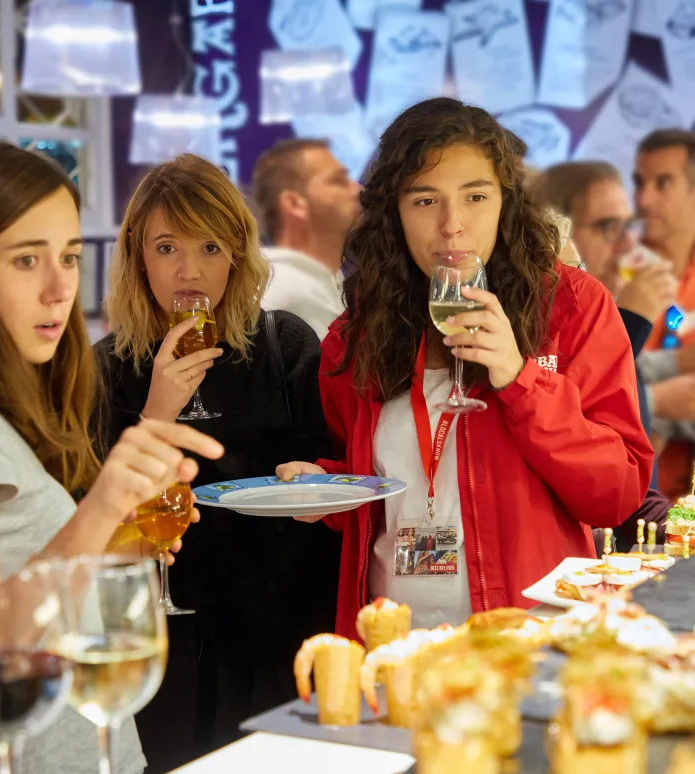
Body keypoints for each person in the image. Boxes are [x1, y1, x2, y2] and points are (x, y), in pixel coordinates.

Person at [0, 143, 223, 774]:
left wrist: (124, 535)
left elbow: (31, 582)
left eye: (69, 257)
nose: (59, 288)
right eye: (26, 260)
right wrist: (101, 507)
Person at [278, 98, 654, 637]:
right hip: (395, 640)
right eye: (425, 200)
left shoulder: (572, 308)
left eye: (475, 197)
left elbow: (616, 494)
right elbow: (379, 485)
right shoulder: (356, 334)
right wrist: (327, 489)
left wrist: (521, 379)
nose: (452, 225)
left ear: (505, 202)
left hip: (527, 638)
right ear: (394, 213)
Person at [95, 154, 339, 774]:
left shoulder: (283, 344)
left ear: (236, 253)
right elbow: (93, 518)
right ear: (138, 257)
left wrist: (315, 477)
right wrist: (157, 411)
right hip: (164, 644)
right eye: (167, 248)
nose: (189, 270)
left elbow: (333, 463)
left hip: (278, 633)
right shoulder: (106, 369)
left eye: (209, 246)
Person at [527, 160, 678, 485]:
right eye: (607, 227)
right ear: (556, 230)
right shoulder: (534, 315)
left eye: (628, 226)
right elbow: (569, 419)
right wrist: (632, 321)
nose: (628, 245)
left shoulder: (609, 304)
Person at [632, 129, 695, 499]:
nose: (643, 199)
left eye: (663, 183)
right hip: (627, 511)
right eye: (639, 183)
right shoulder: (614, 274)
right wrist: (656, 400)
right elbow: (585, 384)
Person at [253, 138, 361, 340]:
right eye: (338, 181)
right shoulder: (275, 290)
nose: (357, 190)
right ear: (294, 203)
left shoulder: (325, 284)